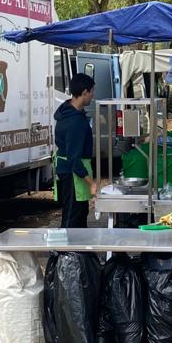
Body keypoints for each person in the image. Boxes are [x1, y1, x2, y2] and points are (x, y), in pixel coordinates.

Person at [53, 73, 97, 228]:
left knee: (79, 212)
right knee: (72, 216)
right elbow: (74, 159)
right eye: (92, 91)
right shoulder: (74, 122)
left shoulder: (68, 110)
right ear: (84, 92)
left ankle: (79, 250)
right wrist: (91, 183)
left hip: (70, 170)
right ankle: (66, 251)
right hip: (73, 173)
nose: (93, 95)